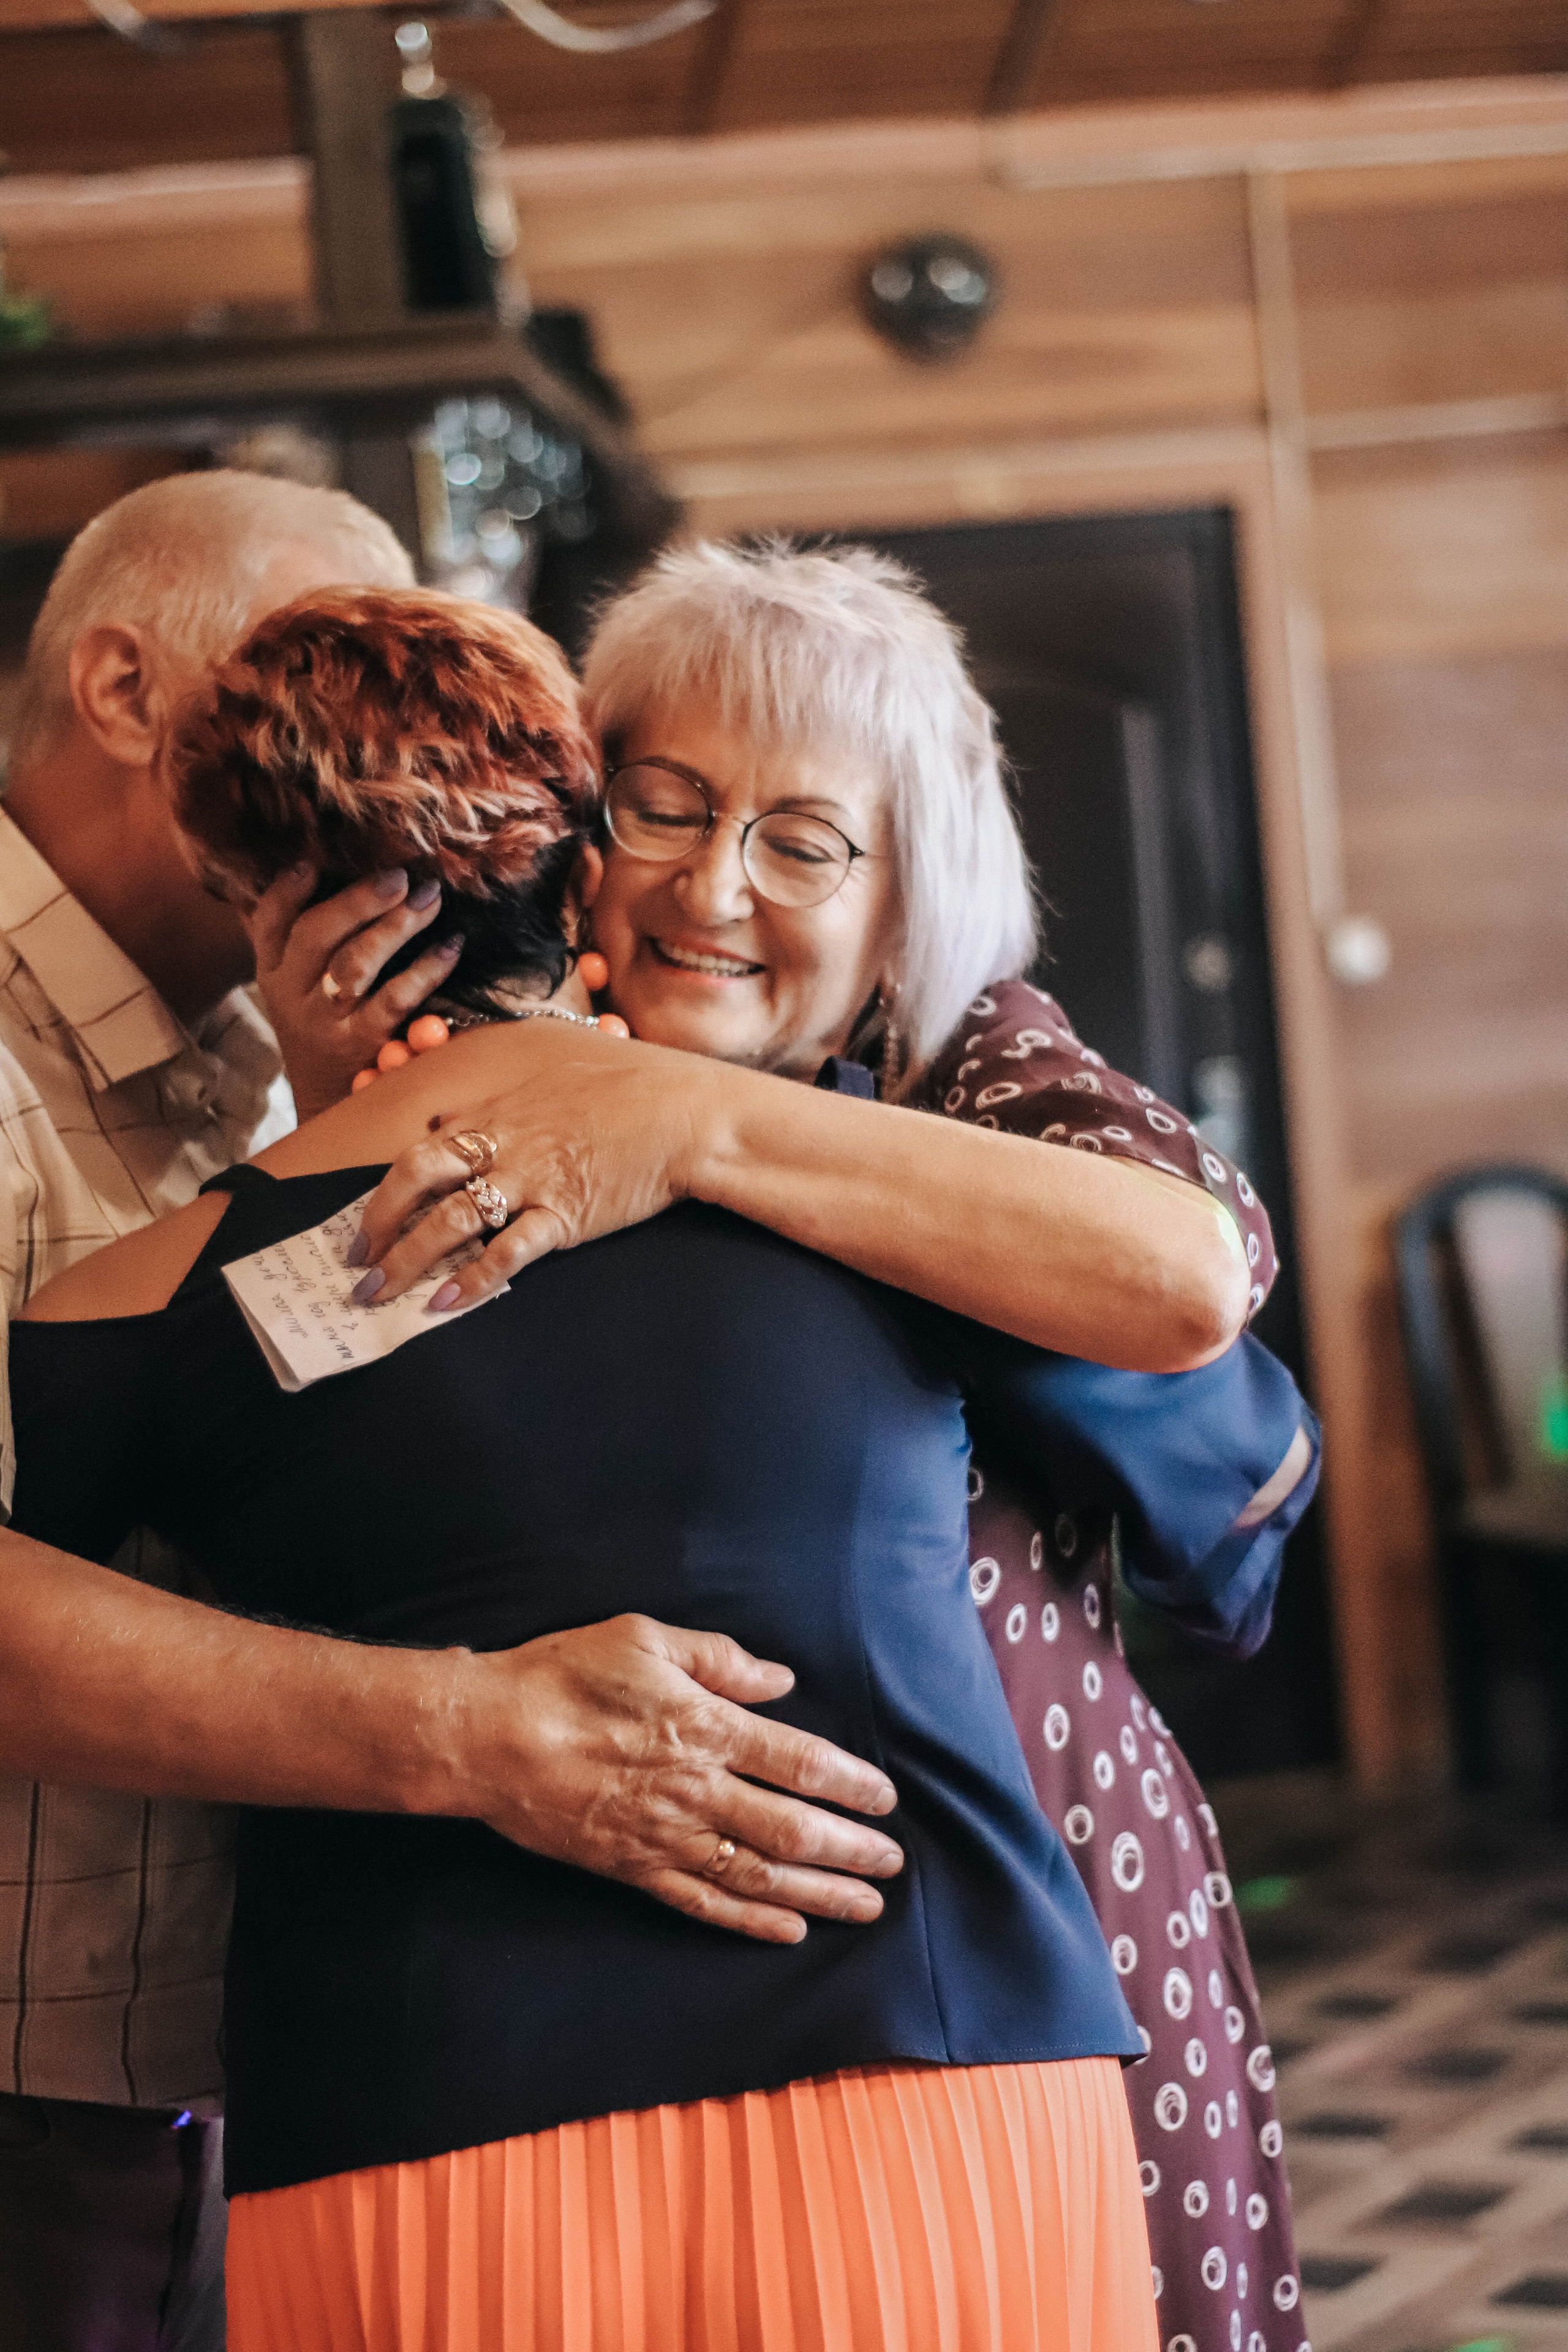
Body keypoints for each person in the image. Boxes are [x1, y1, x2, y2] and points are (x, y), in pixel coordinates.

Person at [0, 583, 1313, 2349]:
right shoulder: (331, 1179)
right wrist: (349, 1136)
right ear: (558, 834)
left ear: (907, 896)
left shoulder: (961, 1076)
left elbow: (1185, 1281)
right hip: (646, 2059)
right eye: (663, 808)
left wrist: (686, 1123)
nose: (709, 890)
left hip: (994, 1936)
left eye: (804, 840)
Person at [0, 481, 904, 2352]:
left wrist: (346, 1122)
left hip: (244, 2043)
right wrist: (476, 1732)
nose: (385, 741)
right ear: (119, 688)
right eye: (312, 676)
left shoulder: (266, 1040)